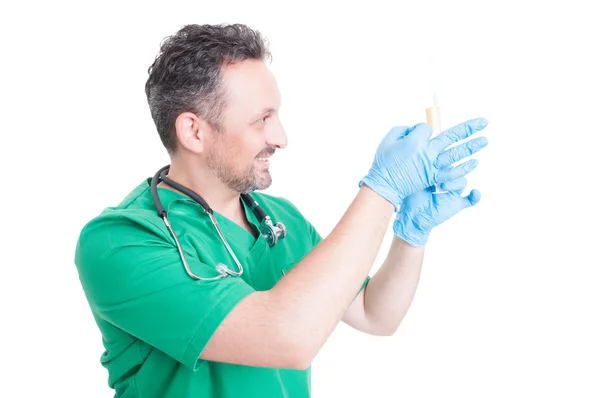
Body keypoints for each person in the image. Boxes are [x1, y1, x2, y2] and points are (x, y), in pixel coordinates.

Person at [74, 23, 490, 398]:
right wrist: (382, 190)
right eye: (262, 119)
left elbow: (373, 313)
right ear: (194, 131)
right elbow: (286, 338)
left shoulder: (279, 220)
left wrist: (410, 235)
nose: (281, 137)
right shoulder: (121, 241)